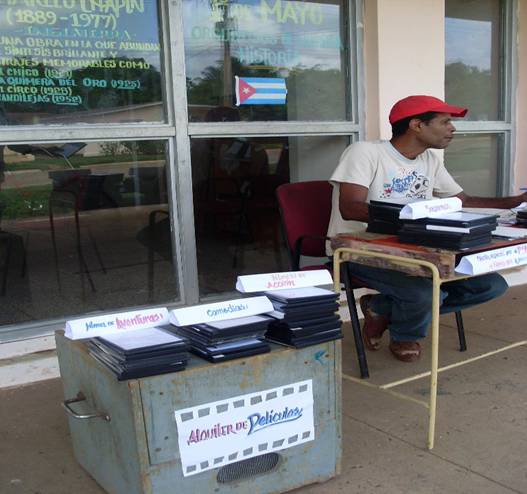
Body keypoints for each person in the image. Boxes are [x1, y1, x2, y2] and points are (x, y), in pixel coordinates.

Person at [327, 95, 527, 362]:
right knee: (423, 292)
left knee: (491, 285)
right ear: (417, 125)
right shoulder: (365, 152)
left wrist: (516, 202)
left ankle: (381, 308)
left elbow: (462, 201)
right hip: (358, 251)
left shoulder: (430, 159)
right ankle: (405, 334)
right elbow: (350, 207)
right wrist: (416, 219)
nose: (452, 128)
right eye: (445, 122)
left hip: (419, 248)